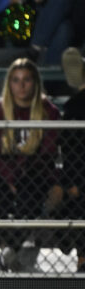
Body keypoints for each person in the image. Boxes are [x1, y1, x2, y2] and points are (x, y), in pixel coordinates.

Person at [0, 58, 61, 272]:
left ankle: (5, 258)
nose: (21, 85)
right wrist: (11, 179)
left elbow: (48, 153)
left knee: (29, 197)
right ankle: (9, 253)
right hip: (0, 173)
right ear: (9, 83)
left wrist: (23, 179)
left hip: (36, 174)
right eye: (16, 80)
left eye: (26, 80)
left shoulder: (49, 112)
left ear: (35, 82)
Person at [55, 84, 85, 273]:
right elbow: (70, 152)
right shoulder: (75, 107)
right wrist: (76, 184)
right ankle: (83, 259)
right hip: (78, 174)